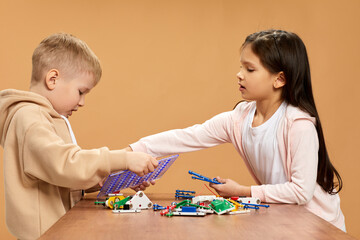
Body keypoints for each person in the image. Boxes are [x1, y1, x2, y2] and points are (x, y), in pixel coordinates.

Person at [127, 30, 346, 231]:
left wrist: (242, 191)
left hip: (319, 226)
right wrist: (128, 154)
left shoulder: (298, 124)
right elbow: (188, 136)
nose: (239, 74)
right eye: (241, 67)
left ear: (279, 79)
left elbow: (301, 192)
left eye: (250, 69)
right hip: (285, 218)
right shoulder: (239, 118)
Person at [0, 33, 158, 239]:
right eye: (81, 92)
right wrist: (123, 158)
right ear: (52, 79)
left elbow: (64, 178)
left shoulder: (44, 117)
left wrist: (113, 180)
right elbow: (65, 163)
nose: (82, 102)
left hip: (58, 229)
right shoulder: (30, 118)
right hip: (45, 234)